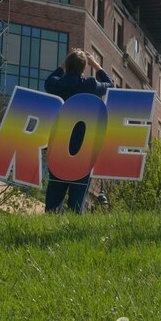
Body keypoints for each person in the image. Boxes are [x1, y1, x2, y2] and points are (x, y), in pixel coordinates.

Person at [43, 48, 113, 213]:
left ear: (67, 65)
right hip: (83, 150)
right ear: (84, 67)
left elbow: (48, 82)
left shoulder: (57, 84)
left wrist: (62, 66)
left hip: (59, 149)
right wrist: (96, 65)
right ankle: (73, 231)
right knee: (77, 201)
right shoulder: (89, 84)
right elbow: (111, 85)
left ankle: (49, 228)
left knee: (54, 198)